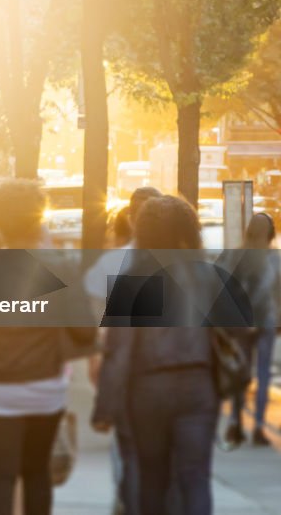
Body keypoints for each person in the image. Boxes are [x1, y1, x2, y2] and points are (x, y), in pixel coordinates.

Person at [0, 180, 96, 515]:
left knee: (0, 475)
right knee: (37, 473)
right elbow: (85, 330)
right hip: (45, 385)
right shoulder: (61, 266)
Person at [93, 195, 244, 515]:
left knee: (152, 477)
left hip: (147, 389)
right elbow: (236, 330)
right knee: (195, 477)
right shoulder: (208, 276)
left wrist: (106, 406)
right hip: (197, 385)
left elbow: (118, 351)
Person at [84, 186, 161, 515]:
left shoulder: (113, 261)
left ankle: (127, 498)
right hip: (166, 366)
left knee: (125, 439)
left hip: (122, 362)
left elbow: (96, 311)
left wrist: (96, 353)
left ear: (131, 217)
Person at [220, 212, 278, 447]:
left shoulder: (235, 255)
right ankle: (259, 428)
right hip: (266, 321)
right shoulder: (274, 259)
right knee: (263, 374)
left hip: (241, 323)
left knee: (240, 373)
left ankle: (235, 422)